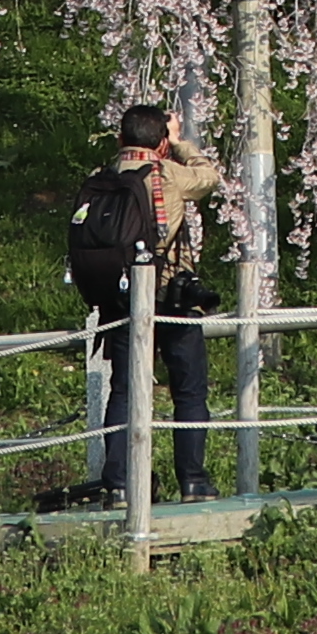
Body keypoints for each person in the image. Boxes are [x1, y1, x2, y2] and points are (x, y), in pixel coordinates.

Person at [59, 102, 223, 511]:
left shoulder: (103, 177)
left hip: (119, 300)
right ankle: (193, 481)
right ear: (162, 144)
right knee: (188, 392)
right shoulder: (167, 173)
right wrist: (182, 142)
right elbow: (210, 177)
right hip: (171, 300)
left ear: (120, 139)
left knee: (124, 391)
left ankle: (119, 483)